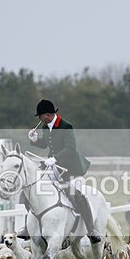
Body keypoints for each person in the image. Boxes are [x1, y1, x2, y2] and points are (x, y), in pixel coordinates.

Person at [20, 99, 101, 243]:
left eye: (40, 116)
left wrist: (54, 159)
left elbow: (70, 149)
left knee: (75, 193)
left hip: (69, 166)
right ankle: (28, 227)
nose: (39, 119)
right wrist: (35, 140)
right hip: (52, 165)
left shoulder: (66, 126)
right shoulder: (46, 127)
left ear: (46, 115)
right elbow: (46, 144)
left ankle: (91, 230)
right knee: (30, 188)